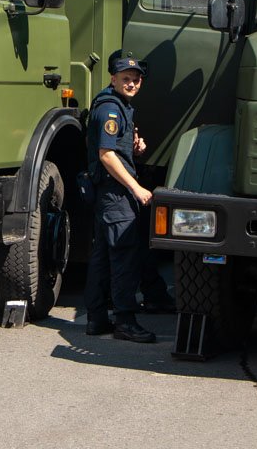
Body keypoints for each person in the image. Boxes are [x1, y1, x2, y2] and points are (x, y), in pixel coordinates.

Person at [82, 50, 157, 343]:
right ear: (113, 79)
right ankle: (125, 321)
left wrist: (134, 147)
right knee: (124, 257)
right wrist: (136, 189)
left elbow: (116, 148)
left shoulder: (119, 105)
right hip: (115, 194)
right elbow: (106, 155)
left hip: (110, 193)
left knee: (102, 256)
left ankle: (96, 319)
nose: (132, 84)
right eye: (126, 79)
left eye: (136, 80)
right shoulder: (110, 109)